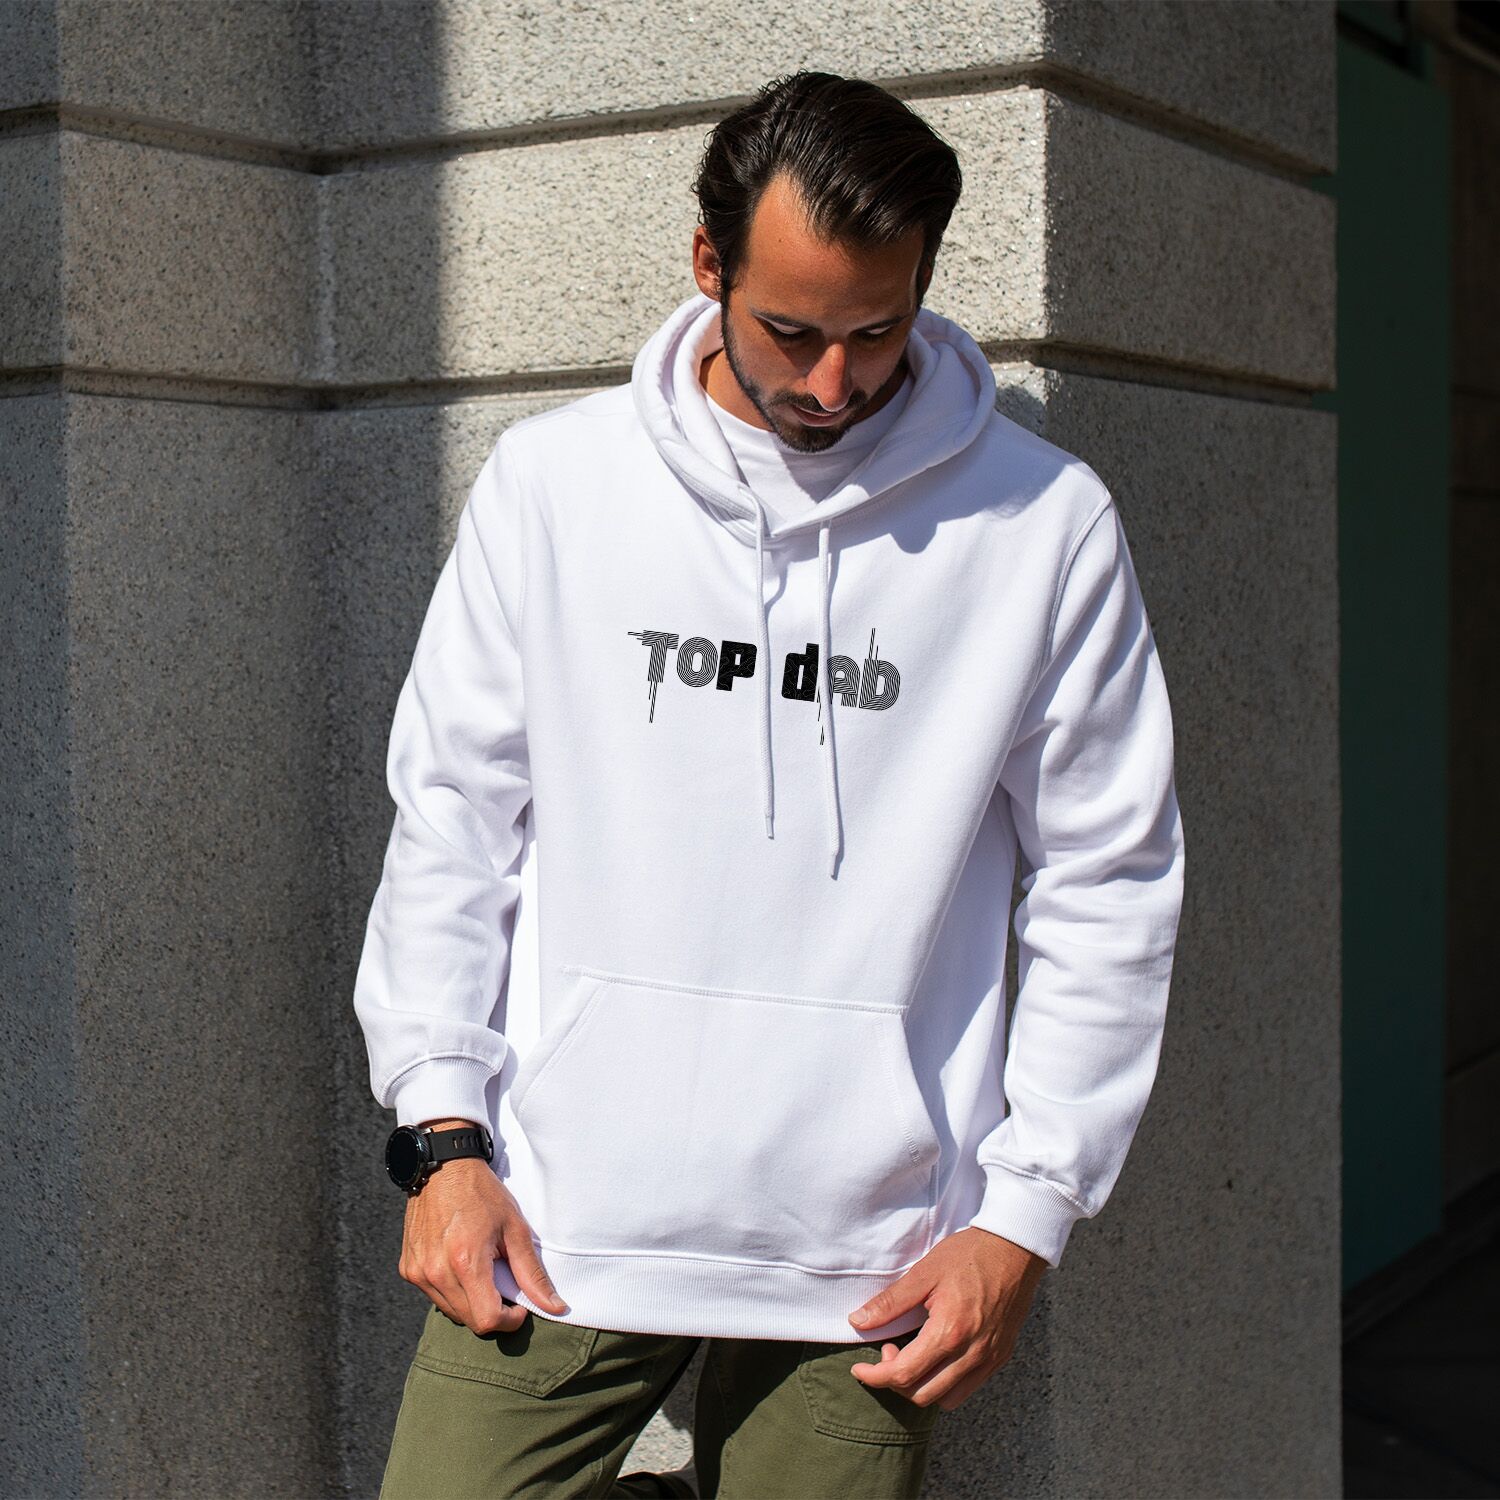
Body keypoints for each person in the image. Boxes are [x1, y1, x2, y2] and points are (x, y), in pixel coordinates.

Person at [352, 69, 1185, 1500]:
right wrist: (441, 1140)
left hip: (874, 1253)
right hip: (565, 1212)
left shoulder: (1041, 525)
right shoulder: (555, 487)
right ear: (708, 262)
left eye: (877, 332)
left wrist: (1025, 1215)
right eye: (791, 331)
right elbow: (452, 825)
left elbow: (1110, 880)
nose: (831, 384)